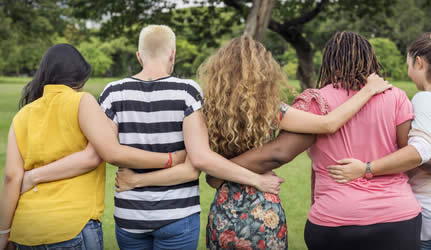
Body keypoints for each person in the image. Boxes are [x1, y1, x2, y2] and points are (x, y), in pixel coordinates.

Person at [115, 35, 391, 249]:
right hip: (264, 210)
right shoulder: (270, 110)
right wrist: (367, 90)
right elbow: (327, 124)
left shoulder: (205, 110)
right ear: (264, 71)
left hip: (223, 213)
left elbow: (198, 158)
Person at [0, 44, 196, 250]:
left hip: (26, 230)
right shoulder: (81, 102)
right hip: (71, 225)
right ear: (79, 77)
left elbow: (12, 178)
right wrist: (171, 159)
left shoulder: (22, 115)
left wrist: (4, 233)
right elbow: (108, 153)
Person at [330, 30, 431, 250]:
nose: (408, 72)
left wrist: (366, 168)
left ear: (419, 63)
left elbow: (421, 153)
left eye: (408, 65)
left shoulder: (425, 99)